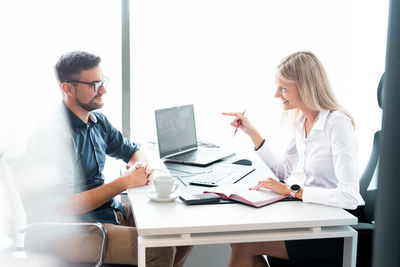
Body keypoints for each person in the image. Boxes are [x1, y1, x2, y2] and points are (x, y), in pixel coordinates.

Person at [22, 51, 192, 266]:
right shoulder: (53, 136)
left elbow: (131, 150)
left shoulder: (96, 121)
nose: (103, 90)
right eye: (93, 84)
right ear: (68, 88)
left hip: (106, 212)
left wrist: (140, 168)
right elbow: (64, 206)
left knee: (181, 232)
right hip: (67, 230)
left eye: (102, 81)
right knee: (158, 249)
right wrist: (125, 182)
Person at [223, 51, 365, 267]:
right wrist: (252, 132)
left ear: (305, 87)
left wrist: (292, 191)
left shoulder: (337, 123)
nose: (276, 95)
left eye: (283, 89)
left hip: (339, 226)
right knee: (239, 239)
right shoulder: (302, 121)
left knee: (245, 245)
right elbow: (282, 171)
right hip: (315, 216)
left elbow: (349, 196)